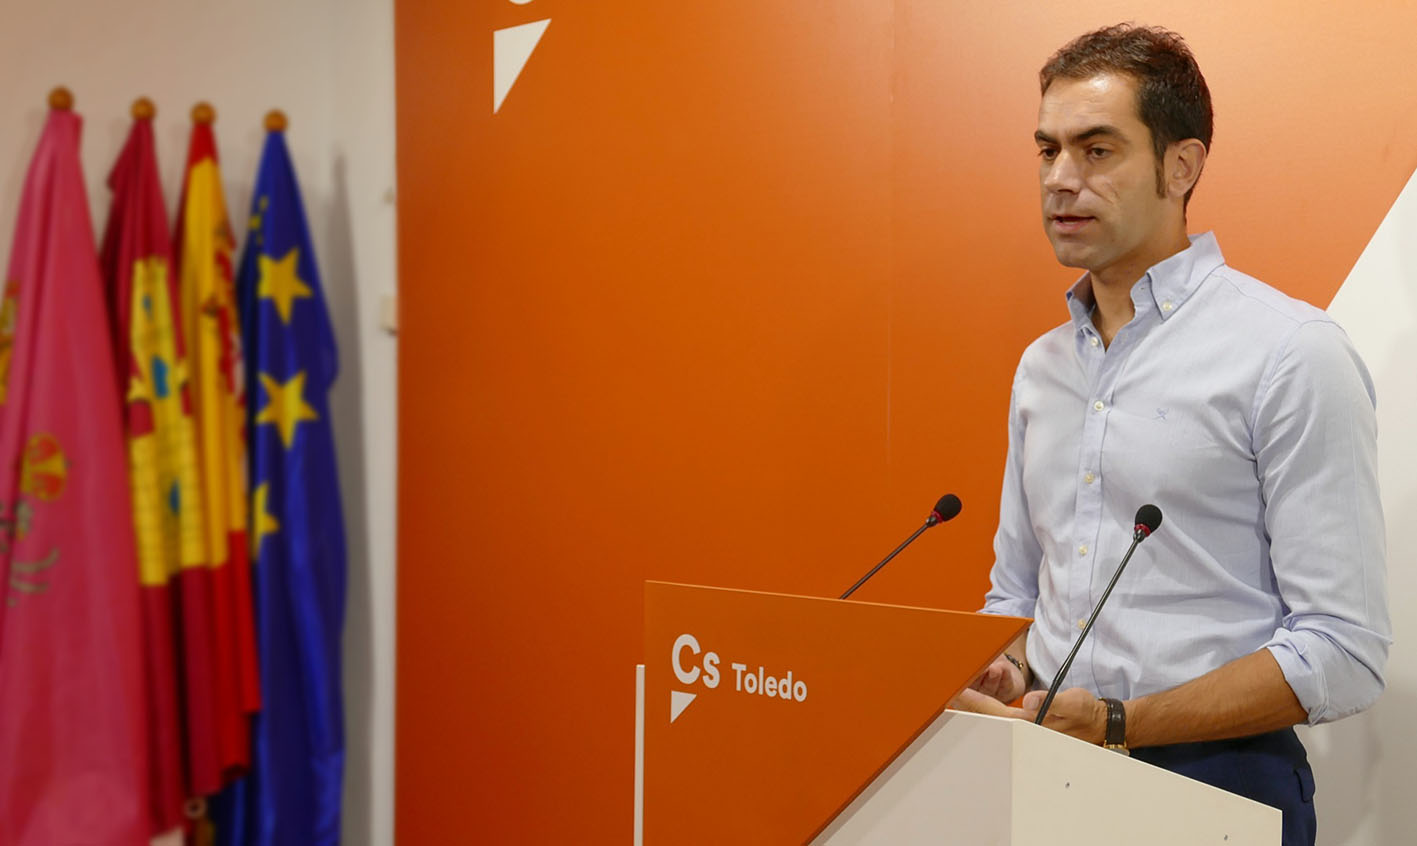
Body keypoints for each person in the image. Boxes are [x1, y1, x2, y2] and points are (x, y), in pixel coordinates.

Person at [953, 24, 1391, 846]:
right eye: (1046, 150)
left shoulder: (1287, 353)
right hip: (1039, 766)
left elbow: (1342, 649)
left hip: (1220, 781)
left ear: (1180, 166)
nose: (1059, 180)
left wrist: (1122, 722)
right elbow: (1014, 595)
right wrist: (1007, 664)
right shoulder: (1040, 369)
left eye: (1096, 150)